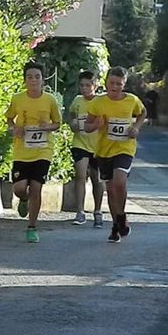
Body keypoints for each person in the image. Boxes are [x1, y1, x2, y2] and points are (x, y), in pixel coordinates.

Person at [85, 66, 146, 243]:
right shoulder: (98, 103)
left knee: (120, 182)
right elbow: (87, 126)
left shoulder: (132, 100)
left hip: (125, 148)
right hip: (104, 150)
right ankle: (116, 223)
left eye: (119, 84)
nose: (115, 87)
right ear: (106, 83)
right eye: (112, 83)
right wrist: (96, 125)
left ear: (124, 84)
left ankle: (120, 216)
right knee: (111, 190)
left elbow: (142, 112)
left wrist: (136, 127)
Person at [5, 61, 62, 243]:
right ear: (24, 80)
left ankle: (32, 227)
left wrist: (48, 127)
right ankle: (24, 199)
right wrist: (15, 129)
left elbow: (58, 123)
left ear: (43, 80)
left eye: (37, 77)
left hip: (43, 150)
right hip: (22, 150)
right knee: (20, 188)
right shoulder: (18, 99)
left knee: (36, 187)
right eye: (29, 77)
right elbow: (8, 119)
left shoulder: (50, 100)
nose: (33, 80)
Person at [68, 71, 104, 227]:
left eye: (88, 85)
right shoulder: (77, 101)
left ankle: (97, 211)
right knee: (80, 175)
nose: (84, 88)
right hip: (80, 143)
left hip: (98, 146)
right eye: (82, 85)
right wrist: (73, 124)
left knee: (97, 180)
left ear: (95, 86)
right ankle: (80, 212)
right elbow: (71, 116)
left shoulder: (101, 102)